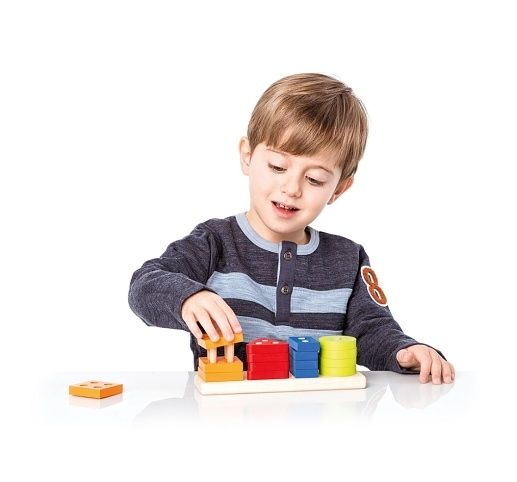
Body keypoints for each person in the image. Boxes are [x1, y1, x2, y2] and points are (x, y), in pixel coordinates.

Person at [128, 73, 455, 384]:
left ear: (339, 189)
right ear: (247, 156)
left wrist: (404, 351)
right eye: (277, 166)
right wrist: (187, 297)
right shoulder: (213, 242)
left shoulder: (348, 259)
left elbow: (373, 329)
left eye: (315, 179)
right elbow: (144, 285)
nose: (291, 188)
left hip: (320, 413)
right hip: (227, 413)